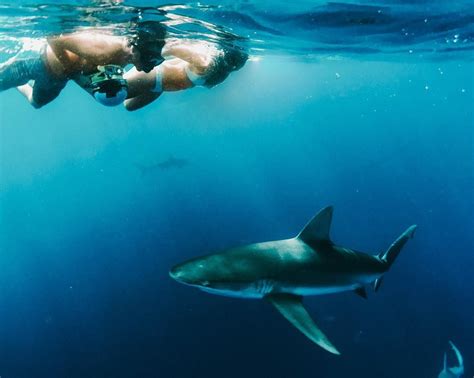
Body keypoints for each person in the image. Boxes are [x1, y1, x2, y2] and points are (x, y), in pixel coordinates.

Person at [0, 21, 165, 108]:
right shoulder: (103, 50)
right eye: (151, 60)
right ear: (136, 50)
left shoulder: (129, 54)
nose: (148, 67)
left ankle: (18, 84)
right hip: (41, 64)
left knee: (36, 103)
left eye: (158, 61)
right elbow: (54, 37)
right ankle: (12, 65)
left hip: (63, 77)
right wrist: (67, 64)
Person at [123, 38, 248, 111]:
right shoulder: (204, 62)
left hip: (159, 88)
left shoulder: (221, 74)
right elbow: (169, 48)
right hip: (154, 76)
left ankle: (115, 72)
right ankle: (109, 64)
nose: (240, 65)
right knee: (110, 92)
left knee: (128, 106)